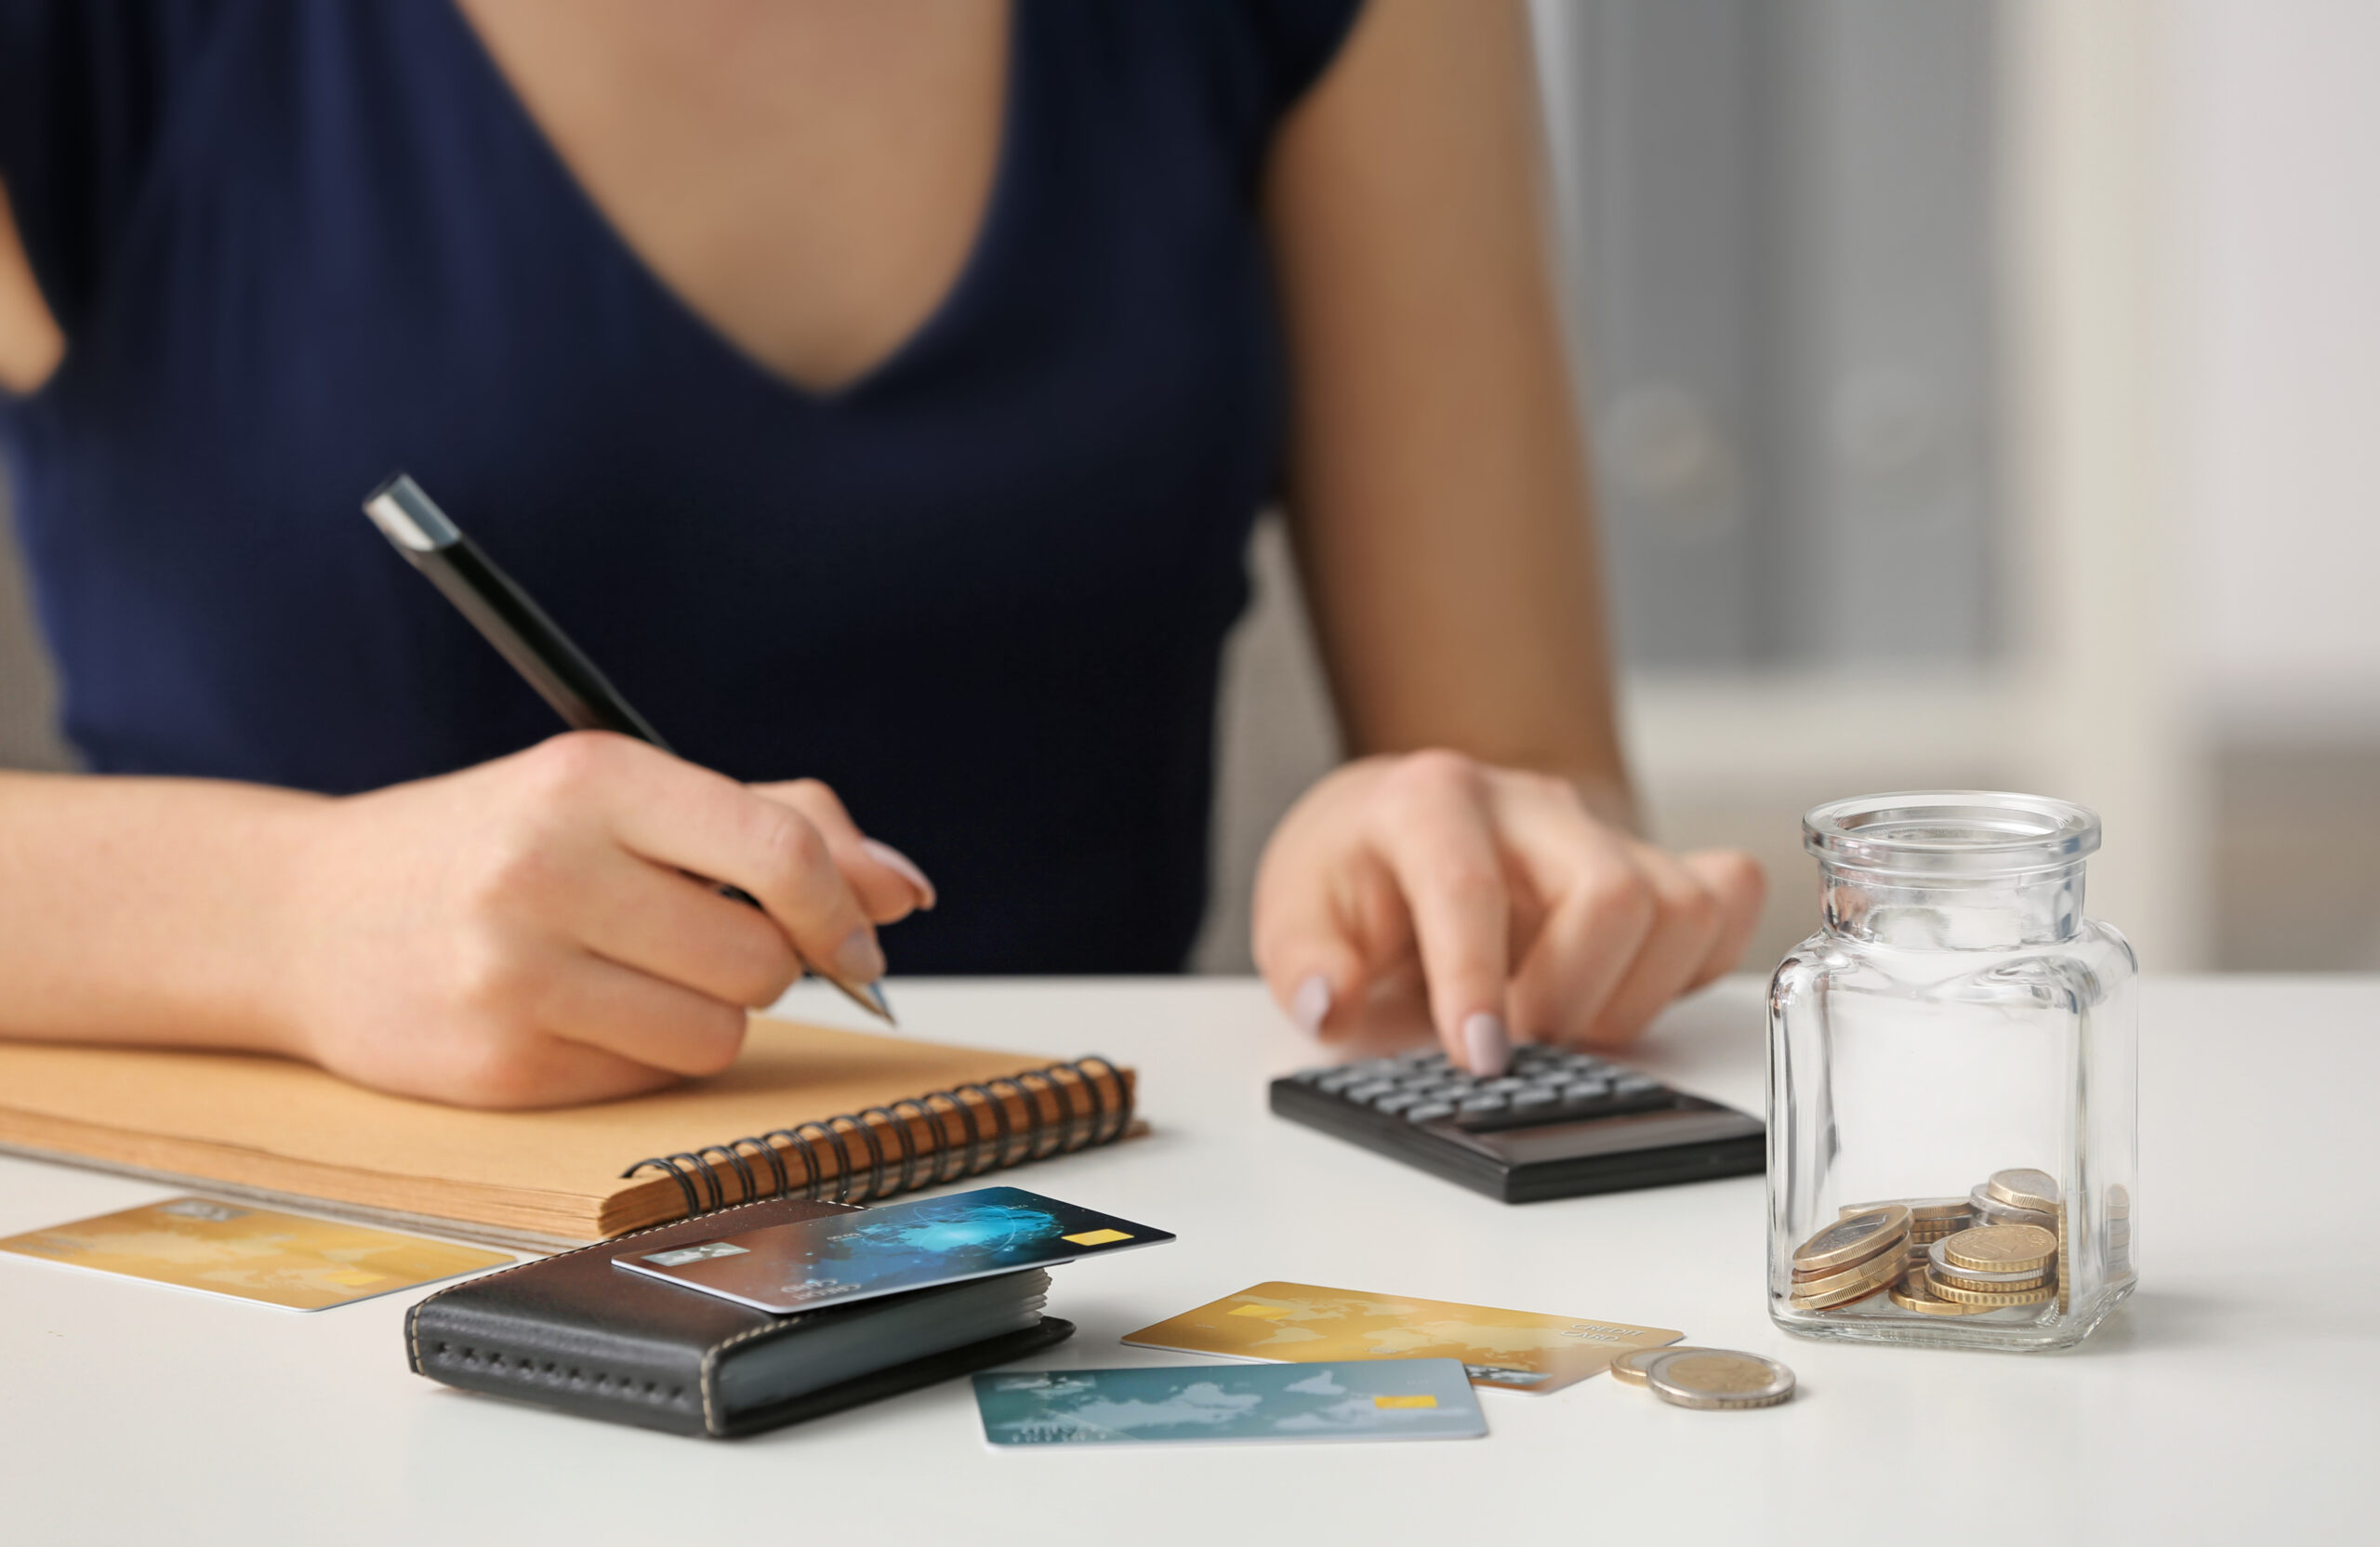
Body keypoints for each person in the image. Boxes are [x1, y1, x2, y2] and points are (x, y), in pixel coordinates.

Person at [0, 0, 1764, 1109]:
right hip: (293, 1349)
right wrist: (296, 922)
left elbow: (1544, 776)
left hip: (1090, 1313)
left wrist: (1463, 868)